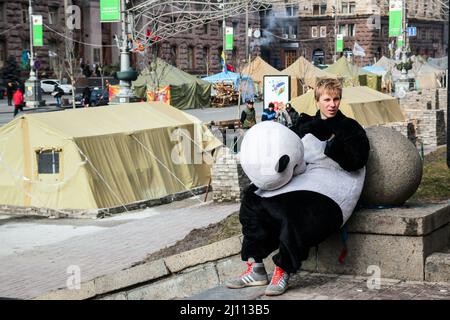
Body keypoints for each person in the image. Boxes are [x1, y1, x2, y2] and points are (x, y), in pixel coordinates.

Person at [226, 78, 370, 296]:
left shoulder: (349, 127)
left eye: (336, 99)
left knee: (297, 210)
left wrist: (333, 144)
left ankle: (283, 269)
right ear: (317, 100)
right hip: (303, 178)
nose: (332, 104)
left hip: (332, 186)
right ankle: (255, 268)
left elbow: (356, 161)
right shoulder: (305, 124)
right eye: (327, 99)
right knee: (253, 198)